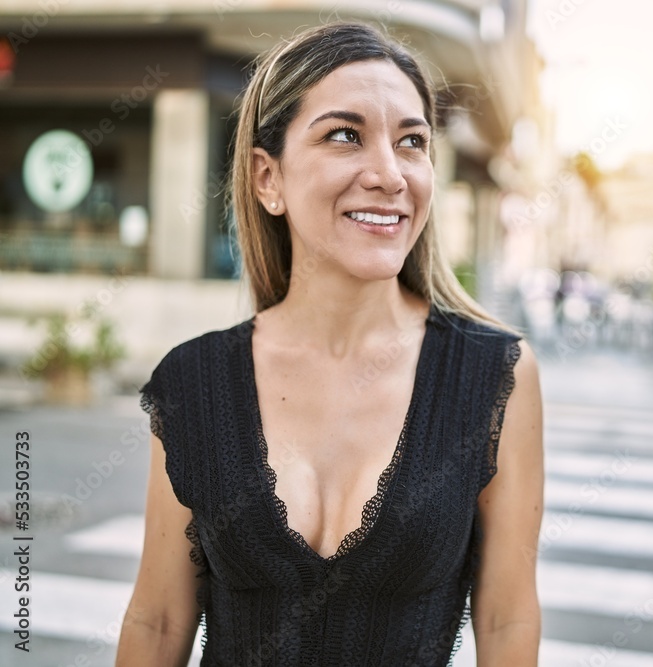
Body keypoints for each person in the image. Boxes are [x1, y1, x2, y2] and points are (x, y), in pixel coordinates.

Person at [115, 21, 544, 666]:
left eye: (412, 143)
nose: (390, 174)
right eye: (345, 136)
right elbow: (158, 620)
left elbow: (507, 621)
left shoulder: (494, 376)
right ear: (268, 178)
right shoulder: (193, 381)